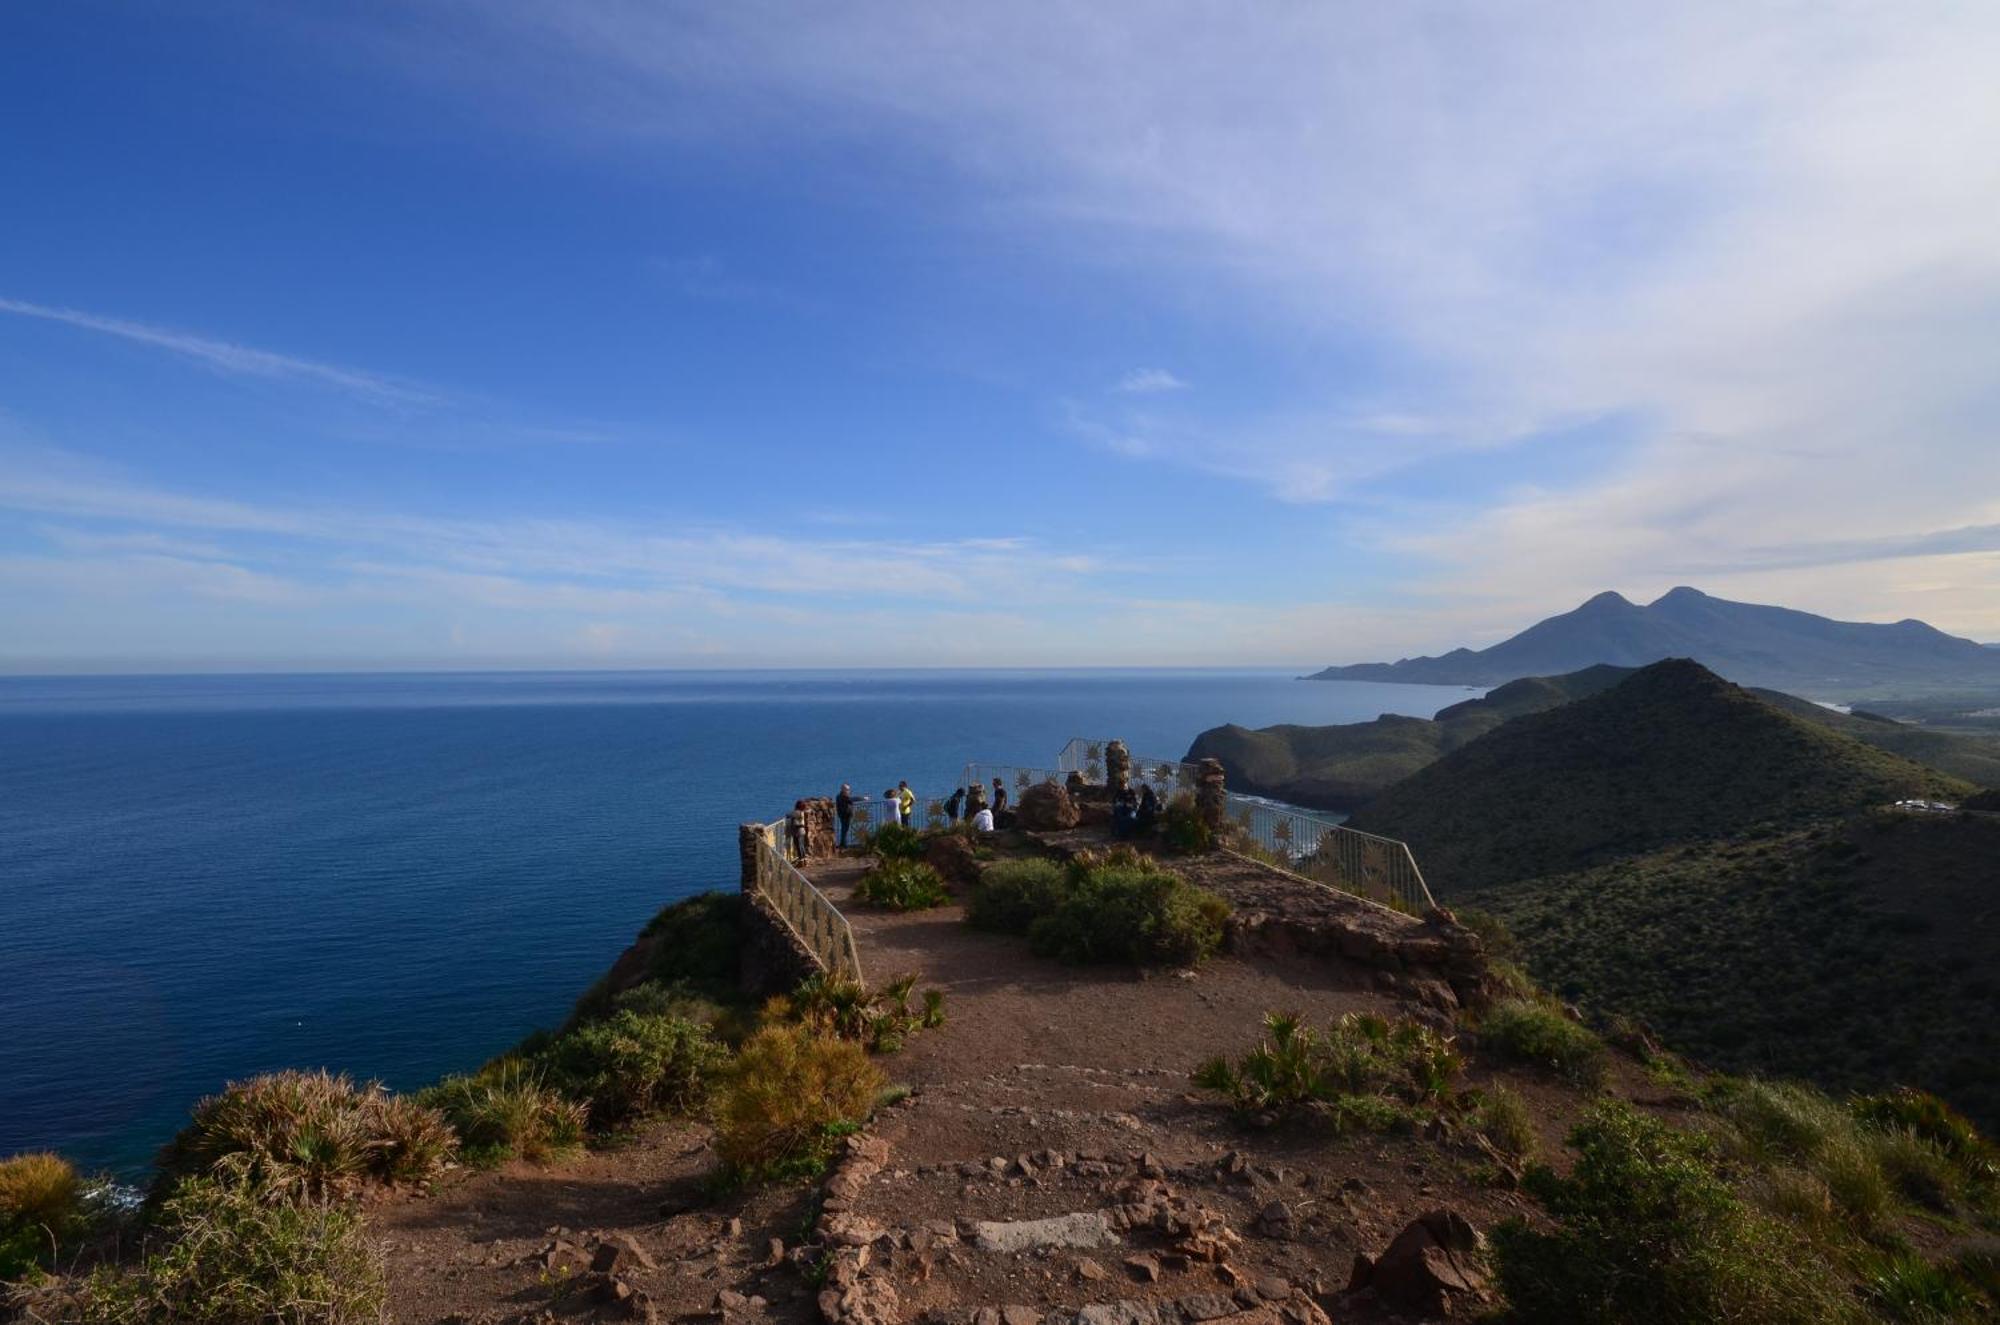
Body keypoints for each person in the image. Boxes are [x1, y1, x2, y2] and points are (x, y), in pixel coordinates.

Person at [836, 784, 855, 848]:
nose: (848, 791)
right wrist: (863, 798)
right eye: (847, 789)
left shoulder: (839, 796)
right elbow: (851, 800)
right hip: (845, 815)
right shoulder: (843, 796)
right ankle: (844, 845)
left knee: (844, 830)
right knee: (845, 830)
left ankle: (842, 843)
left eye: (848, 789)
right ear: (843, 789)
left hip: (844, 815)